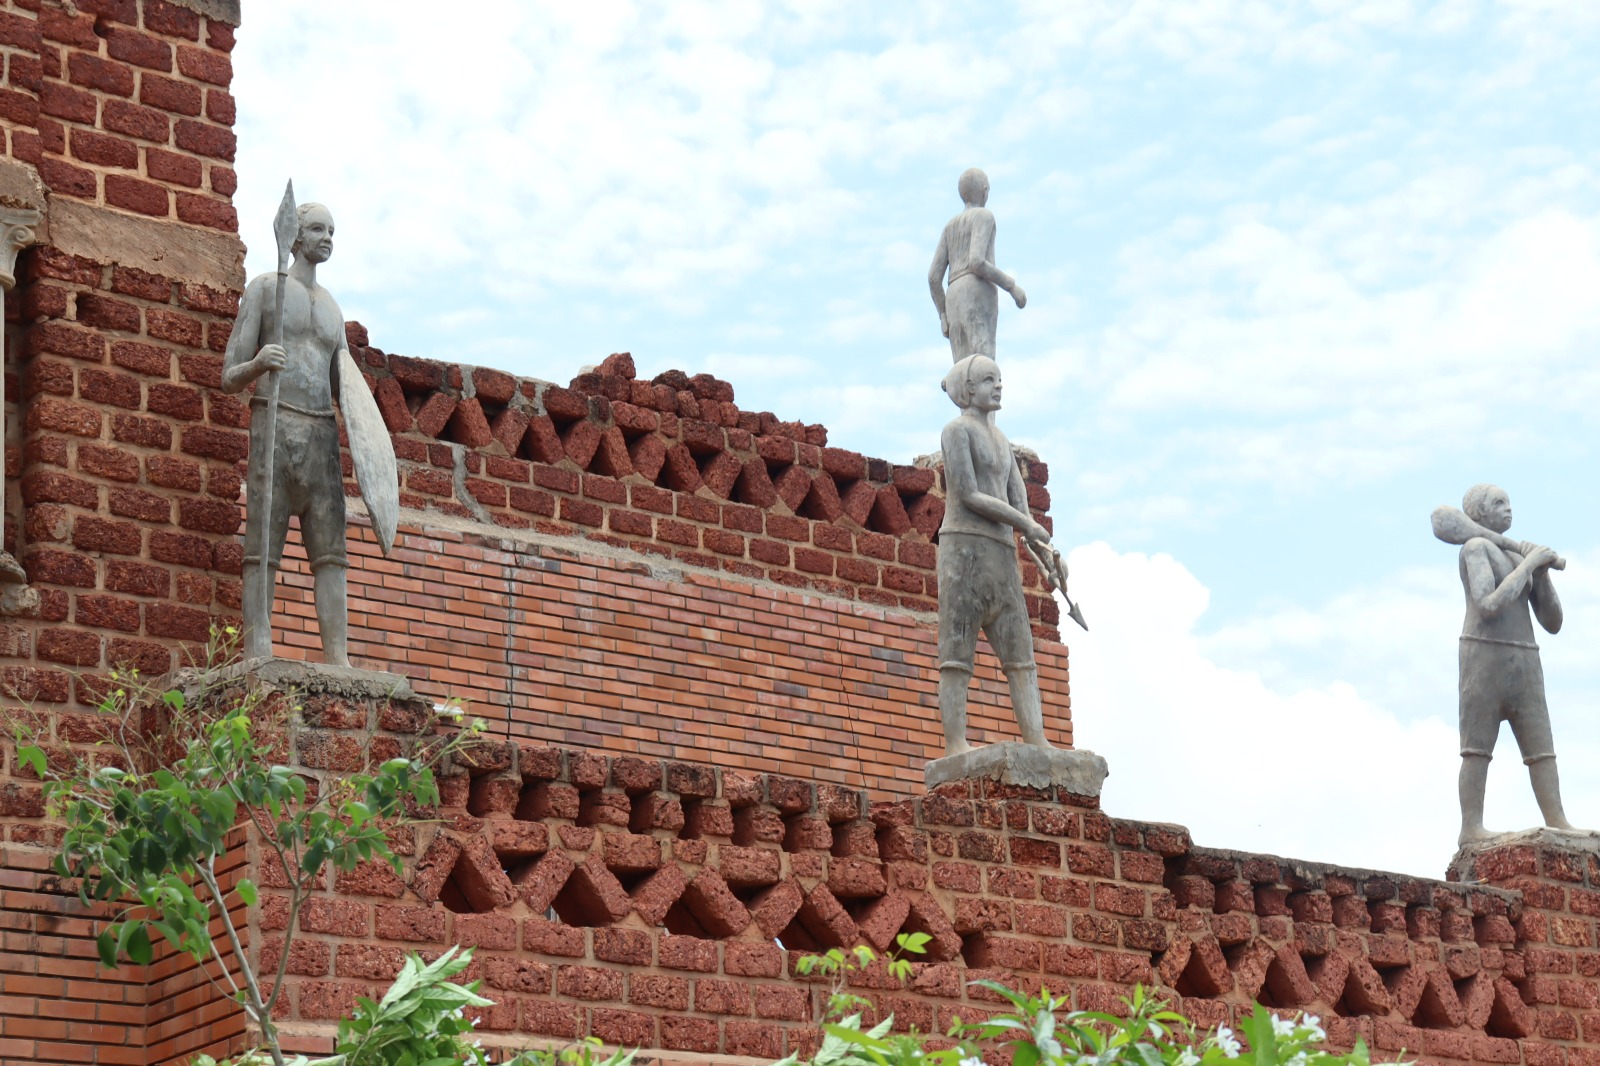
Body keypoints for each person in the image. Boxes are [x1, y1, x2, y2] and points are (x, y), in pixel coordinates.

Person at [222, 203, 354, 666]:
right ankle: (259, 648)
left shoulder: (333, 309)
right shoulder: (265, 288)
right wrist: (259, 363)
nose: (327, 238)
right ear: (295, 236)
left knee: (331, 552)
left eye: (332, 231)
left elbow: (345, 389)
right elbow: (229, 374)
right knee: (264, 547)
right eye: (317, 229)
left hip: (321, 431)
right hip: (275, 421)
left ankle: (338, 657)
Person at [936, 354, 1057, 756]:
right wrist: (1025, 524)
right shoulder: (956, 431)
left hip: (1001, 556)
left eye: (1000, 379)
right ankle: (956, 743)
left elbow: (1021, 506)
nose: (999, 386)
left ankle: (1036, 738)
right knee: (957, 653)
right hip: (964, 550)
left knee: (1021, 656)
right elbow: (968, 494)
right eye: (989, 380)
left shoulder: (1002, 442)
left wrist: (1047, 553)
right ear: (969, 389)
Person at [1454, 483, 1579, 843]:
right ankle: (1471, 826)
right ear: (1479, 513)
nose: (1508, 509)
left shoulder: (1516, 556)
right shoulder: (1476, 548)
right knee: (1477, 749)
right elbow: (1489, 604)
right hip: (1484, 657)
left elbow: (1553, 622)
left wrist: (1542, 574)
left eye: (1508, 503)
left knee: (1542, 749)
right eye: (1499, 503)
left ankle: (1557, 818)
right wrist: (1529, 564)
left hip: (1524, 658)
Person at [928, 168, 1026, 362]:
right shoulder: (984, 216)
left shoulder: (949, 227)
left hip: (953, 296)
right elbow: (976, 261)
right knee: (983, 361)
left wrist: (943, 315)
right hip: (976, 290)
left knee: (961, 365)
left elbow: (933, 278)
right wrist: (1011, 286)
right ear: (984, 190)